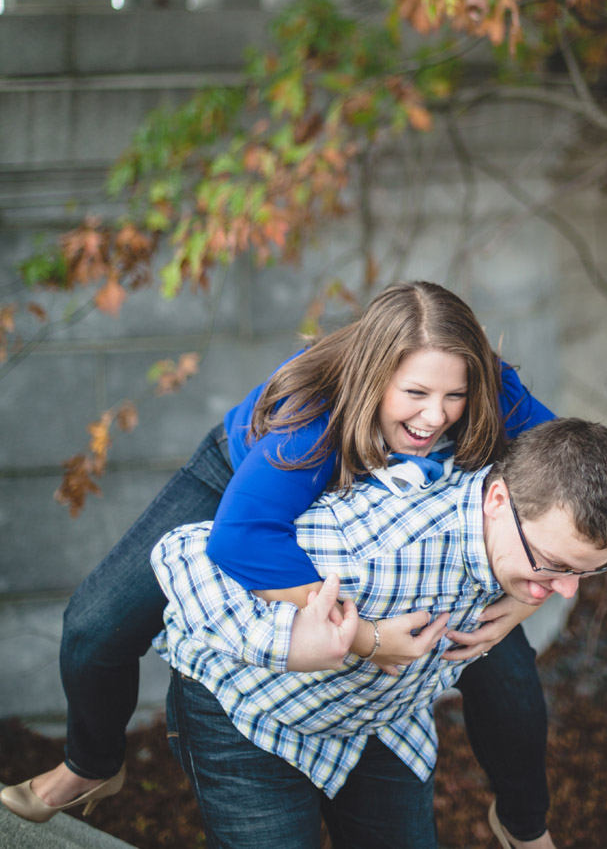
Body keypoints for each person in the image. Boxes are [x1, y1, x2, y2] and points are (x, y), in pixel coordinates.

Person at [1, 281, 559, 847]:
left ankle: (523, 826)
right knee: (96, 627)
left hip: (384, 516)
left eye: (454, 396)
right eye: (415, 392)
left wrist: (522, 598)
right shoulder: (314, 411)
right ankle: (91, 763)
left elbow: (576, 484)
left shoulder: (487, 388)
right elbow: (240, 538)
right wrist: (363, 636)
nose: (436, 416)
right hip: (247, 483)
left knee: (504, 667)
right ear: (373, 375)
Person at [152, 419, 607, 849]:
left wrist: (531, 584)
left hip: (380, 721)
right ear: (496, 500)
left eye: (590, 570)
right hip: (253, 718)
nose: (567, 591)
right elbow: (183, 551)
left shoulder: (520, 551)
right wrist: (291, 643)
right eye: (553, 565)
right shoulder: (379, 548)